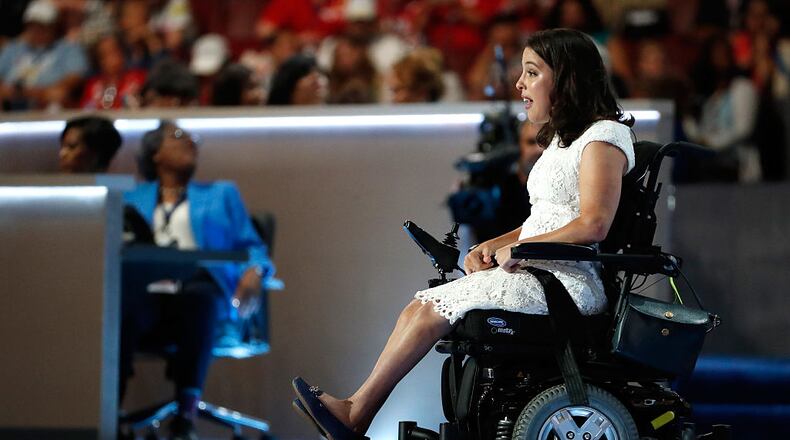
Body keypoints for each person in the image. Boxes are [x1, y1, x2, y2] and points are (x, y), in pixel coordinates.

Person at [291, 28, 635, 439]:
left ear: (566, 77)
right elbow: (545, 218)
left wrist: (522, 247)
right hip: (540, 269)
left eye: (531, 73)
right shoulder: (563, 141)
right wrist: (493, 244)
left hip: (568, 285)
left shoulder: (604, 137)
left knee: (432, 310)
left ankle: (356, 412)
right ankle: (356, 411)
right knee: (420, 306)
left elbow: (594, 222)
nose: (519, 84)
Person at [122, 120, 274, 439]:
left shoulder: (221, 194)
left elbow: (254, 247)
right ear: (155, 154)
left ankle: (186, 417)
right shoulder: (132, 198)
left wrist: (255, 271)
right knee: (121, 305)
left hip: (202, 292)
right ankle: (109, 412)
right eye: (179, 136)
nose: (192, 142)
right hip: (148, 292)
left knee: (199, 298)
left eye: (195, 138)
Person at [0, 0, 88, 110]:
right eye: (33, 26)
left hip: (47, 105)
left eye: (42, 26)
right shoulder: (12, 49)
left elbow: (75, 77)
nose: (37, 31)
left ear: (53, 26)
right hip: (10, 103)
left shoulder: (68, 49)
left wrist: (37, 93)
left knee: (58, 96)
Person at [59, 115, 123, 173]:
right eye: (62, 146)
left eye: (72, 147)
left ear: (96, 152)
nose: (62, 154)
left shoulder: (120, 184)